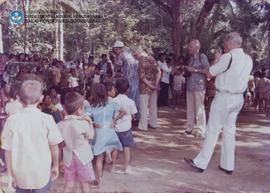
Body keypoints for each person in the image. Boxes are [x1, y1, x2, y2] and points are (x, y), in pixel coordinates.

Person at [184, 32, 253, 174]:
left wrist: (216, 59)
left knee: (212, 130)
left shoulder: (228, 57)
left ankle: (200, 163)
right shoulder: (248, 59)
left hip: (224, 98)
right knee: (229, 131)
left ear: (229, 42)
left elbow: (210, 73)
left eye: (225, 43)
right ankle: (228, 165)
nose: (224, 46)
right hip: (238, 98)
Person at [1, 74, 63, 193]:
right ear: (41, 98)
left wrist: (10, 174)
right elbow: (54, 146)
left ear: (18, 98)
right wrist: (55, 165)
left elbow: (7, 150)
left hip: (20, 174)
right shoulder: (47, 119)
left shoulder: (12, 120)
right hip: (42, 173)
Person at [85, 83, 124, 186]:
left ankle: (99, 179)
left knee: (99, 158)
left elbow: (85, 118)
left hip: (100, 131)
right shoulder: (112, 104)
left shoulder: (92, 107)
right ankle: (109, 153)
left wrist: (93, 123)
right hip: (110, 130)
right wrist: (114, 120)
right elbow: (123, 111)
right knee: (113, 146)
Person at [58, 92, 95, 193]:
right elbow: (91, 136)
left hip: (68, 158)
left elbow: (60, 144)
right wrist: (90, 122)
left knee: (69, 184)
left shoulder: (60, 125)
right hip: (83, 157)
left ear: (65, 109)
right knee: (85, 184)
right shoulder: (83, 123)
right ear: (80, 110)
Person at [185, 39, 210, 138]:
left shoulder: (202, 57)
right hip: (190, 86)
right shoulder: (191, 59)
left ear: (197, 47)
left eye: (190, 46)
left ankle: (200, 129)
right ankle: (189, 128)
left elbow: (207, 70)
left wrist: (194, 70)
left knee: (199, 108)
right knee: (190, 108)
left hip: (199, 86)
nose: (189, 48)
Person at [113, 78, 137, 173]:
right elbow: (133, 115)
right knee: (126, 148)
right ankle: (127, 167)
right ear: (128, 90)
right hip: (126, 128)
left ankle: (113, 166)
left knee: (115, 148)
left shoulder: (113, 101)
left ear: (116, 89)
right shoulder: (130, 102)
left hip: (115, 128)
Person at [136, 52, 161, 131]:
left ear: (139, 54)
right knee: (153, 106)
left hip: (144, 87)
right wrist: (156, 84)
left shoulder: (142, 61)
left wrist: (150, 86)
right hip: (154, 86)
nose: (135, 58)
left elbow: (142, 77)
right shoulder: (153, 59)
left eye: (135, 56)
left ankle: (143, 126)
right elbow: (159, 72)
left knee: (144, 107)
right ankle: (153, 123)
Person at [113, 41, 140, 112]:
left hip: (128, 79)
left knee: (129, 98)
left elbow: (117, 66)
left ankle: (130, 115)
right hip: (136, 79)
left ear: (118, 49)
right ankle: (137, 116)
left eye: (115, 49)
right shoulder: (129, 55)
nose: (115, 51)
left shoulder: (121, 55)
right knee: (136, 98)